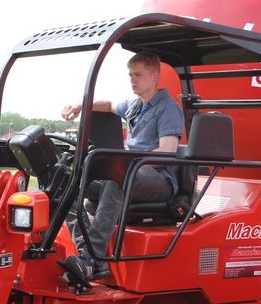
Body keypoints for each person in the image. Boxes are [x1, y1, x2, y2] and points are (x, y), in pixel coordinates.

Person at [58, 51, 184, 284]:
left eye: (138, 74)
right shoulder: (136, 105)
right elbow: (109, 105)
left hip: (158, 178)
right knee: (68, 182)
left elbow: (167, 152)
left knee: (120, 176)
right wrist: (80, 103)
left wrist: (128, 164)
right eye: (130, 75)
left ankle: (91, 257)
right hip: (132, 174)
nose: (132, 80)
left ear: (154, 75)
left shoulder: (167, 108)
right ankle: (90, 253)